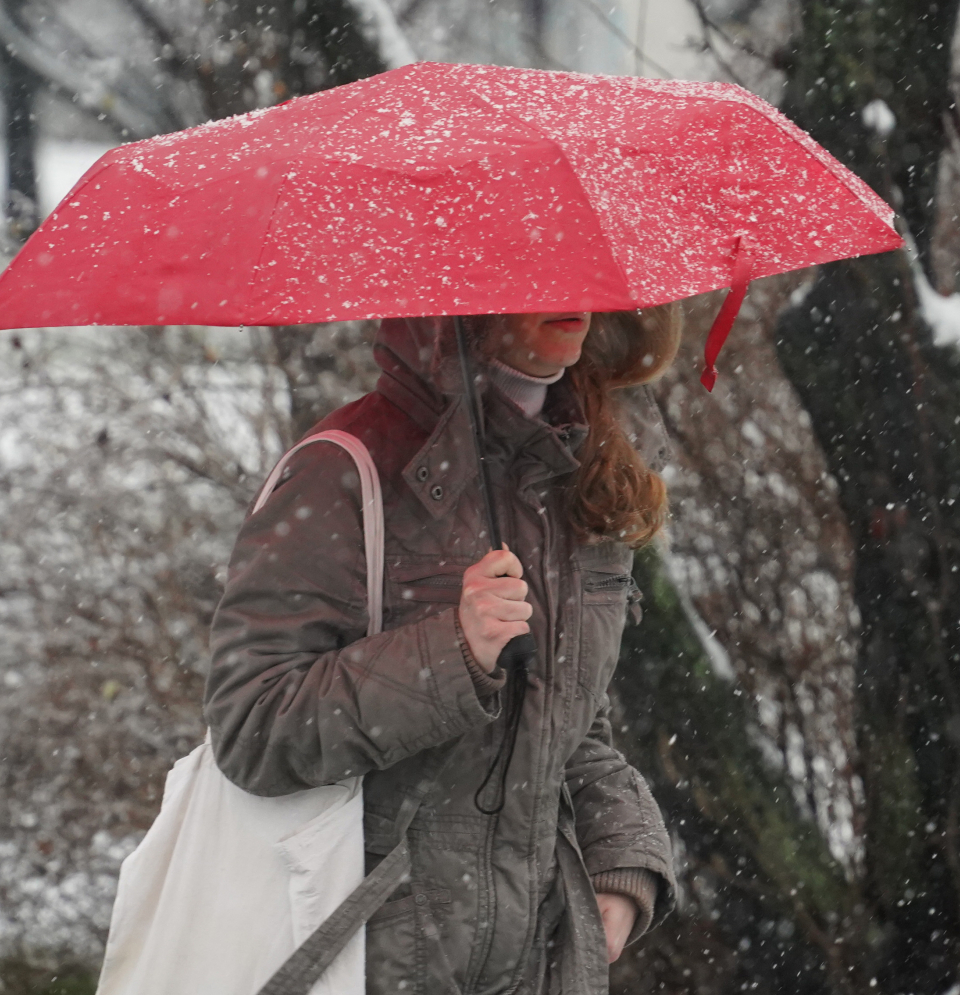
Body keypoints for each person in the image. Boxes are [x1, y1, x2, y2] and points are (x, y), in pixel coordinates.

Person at [204, 309, 681, 995]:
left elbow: (568, 727)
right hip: (364, 957)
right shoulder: (344, 468)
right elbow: (254, 721)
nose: (572, 291)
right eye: (533, 253)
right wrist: (450, 652)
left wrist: (621, 860)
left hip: (538, 963)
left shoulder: (588, 477)